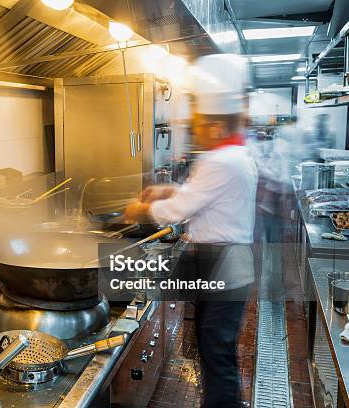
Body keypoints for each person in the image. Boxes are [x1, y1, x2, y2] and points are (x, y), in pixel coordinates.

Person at [125, 54, 257, 408]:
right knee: (212, 341)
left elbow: (179, 210)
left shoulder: (220, 161)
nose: (194, 128)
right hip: (226, 264)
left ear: (216, 125)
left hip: (223, 265)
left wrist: (140, 209)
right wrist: (167, 192)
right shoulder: (235, 156)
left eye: (199, 122)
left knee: (215, 347)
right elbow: (200, 198)